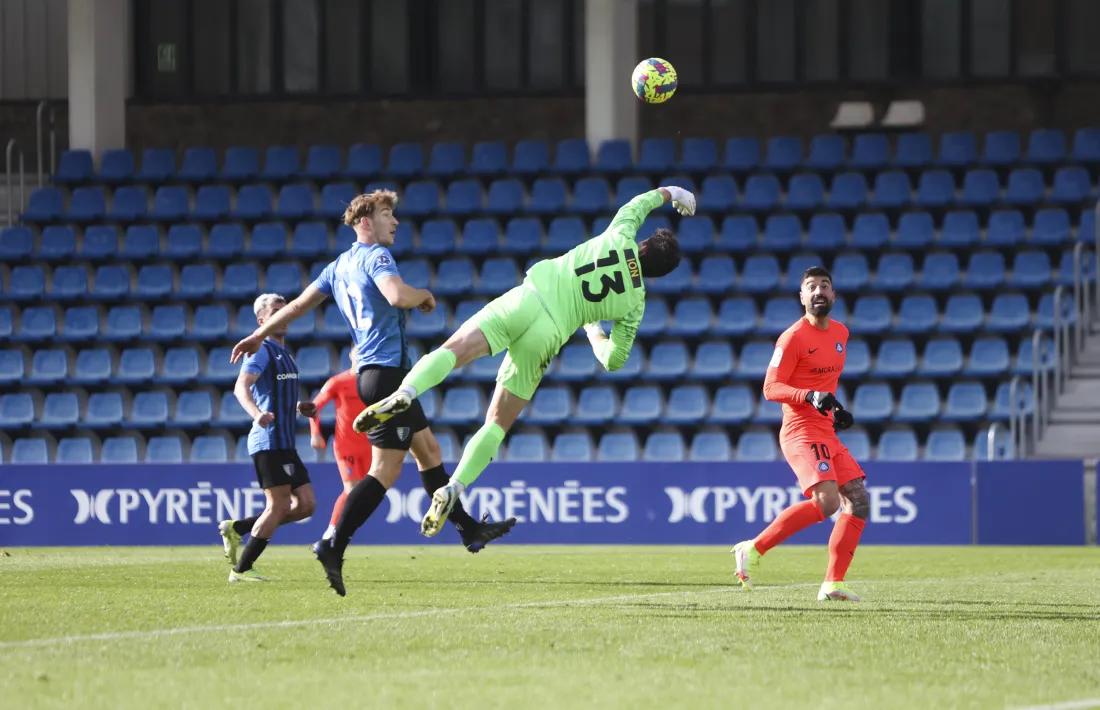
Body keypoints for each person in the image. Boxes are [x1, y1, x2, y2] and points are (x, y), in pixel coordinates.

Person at [353, 186, 695, 538]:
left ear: (642, 245)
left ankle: (407, 391)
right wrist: (593, 329)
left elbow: (640, 203)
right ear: (655, 275)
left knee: (453, 352)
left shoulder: (620, 235)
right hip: (550, 335)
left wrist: (674, 192)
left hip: (528, 299)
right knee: (497, 423)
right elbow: (614, 360)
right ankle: (453, 487)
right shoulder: (635, 303)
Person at [230, 190, 515, 596]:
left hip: (379, 375)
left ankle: (469, 528)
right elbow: (397, 295)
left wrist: (257, 335)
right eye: (386, 214)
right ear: (365, 222)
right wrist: (425, 296)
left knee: (429, 451)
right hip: (386, 377)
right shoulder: (376, 256)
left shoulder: (337, 266)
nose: (394, 222)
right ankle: (333, 543)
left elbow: (294, 307)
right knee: (384, 471)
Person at [730, 266, 869, 602]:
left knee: (859, 502)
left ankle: (832, 584)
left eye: (825, 286)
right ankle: (753, 548)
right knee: (827, 502)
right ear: (802, 297)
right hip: (800, 430)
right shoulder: (792, 338)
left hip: (824, 429)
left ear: (833, 295)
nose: (819, 291)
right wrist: (808, 397)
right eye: (812, 287)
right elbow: (770, 387)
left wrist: (835, 409)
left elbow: (824, 384)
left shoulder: (841, 334)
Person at [218, 293, 318, 583]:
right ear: (262, 321)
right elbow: (241, 387)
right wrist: (256, 414)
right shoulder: (261, 348)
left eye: (284, 310)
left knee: (307, 505)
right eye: (275, 311)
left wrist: (299, 407)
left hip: (285, 443)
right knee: (278, 506)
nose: (281, 315)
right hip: (269, 441)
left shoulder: (285, 353)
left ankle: (239, 528)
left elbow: (273, 394)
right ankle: (242, 570)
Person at [309, 350, 372, 545]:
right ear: (351, 354)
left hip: (370, 445)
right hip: (346, 446)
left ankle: (342, 532)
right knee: (351, 489)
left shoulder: (373, 383)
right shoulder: (338, 382)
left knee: (367, 492)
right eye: (359, 351)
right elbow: (314, 406)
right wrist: (315, 432)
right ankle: (331, 533)